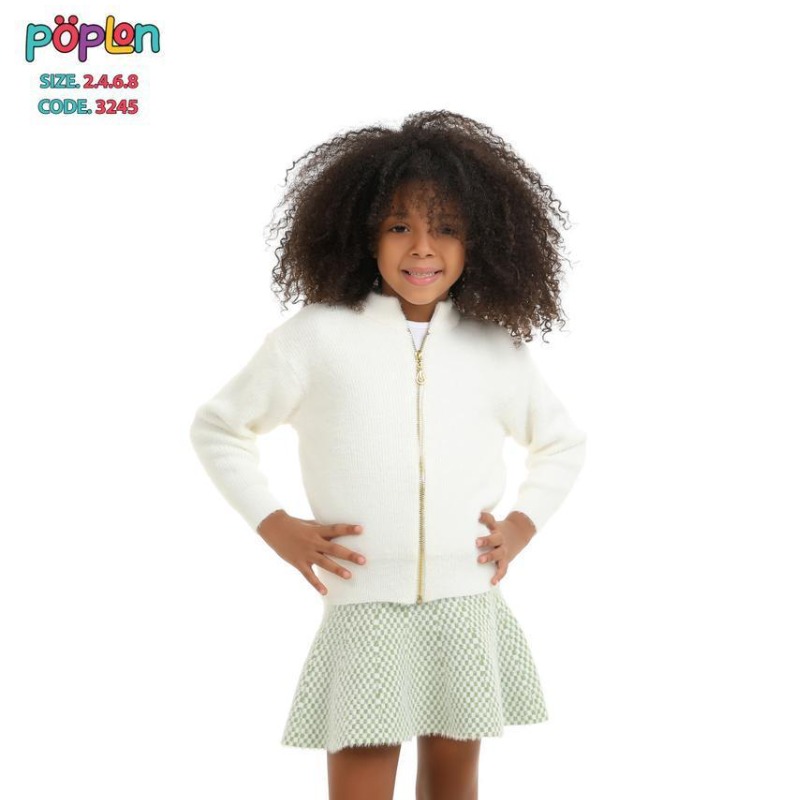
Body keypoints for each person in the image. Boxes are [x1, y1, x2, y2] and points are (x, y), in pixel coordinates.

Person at [189, 109, 587, 800]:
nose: (422, 248)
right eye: (400, 226)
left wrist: (522, 525)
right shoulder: (316, 338)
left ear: (480, 240)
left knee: (454, 779)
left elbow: (561, 442)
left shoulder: (494, 347)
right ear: (363, 232)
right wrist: (275, 525)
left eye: (446, 227)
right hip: (366, 605)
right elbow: (219, 427)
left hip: (464, 602)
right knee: (361, 781)